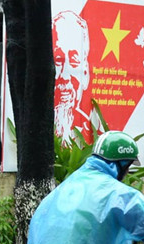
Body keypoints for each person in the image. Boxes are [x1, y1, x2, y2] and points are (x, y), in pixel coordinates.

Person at [52, 11, 93, 145]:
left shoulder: (94, 134)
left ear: (85, 73)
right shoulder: (31, 131)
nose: (65, 76)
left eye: (74, 61)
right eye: (58, 61)